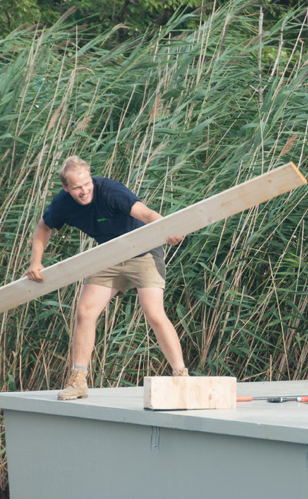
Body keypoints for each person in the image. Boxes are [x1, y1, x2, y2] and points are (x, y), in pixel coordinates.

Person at [26, 156, 188, 400]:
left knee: (153, 312)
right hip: (108, 254)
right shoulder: (62, 204)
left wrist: (166, 230)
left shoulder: (110, 191)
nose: (84, 191)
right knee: (85, 311)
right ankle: (79, 381)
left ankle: (181, 376)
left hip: (143, 250)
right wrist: (35, 262)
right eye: (77, 187)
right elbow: (43, 228)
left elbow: (146, 213)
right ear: (66, 188)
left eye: (87, 183)